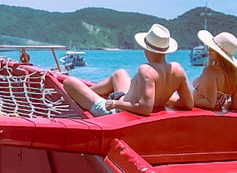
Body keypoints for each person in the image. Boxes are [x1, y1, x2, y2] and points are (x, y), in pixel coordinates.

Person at [62, 23, 194, 117]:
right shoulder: (178, 69)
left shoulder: (146, 71)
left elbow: (145, 109)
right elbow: (189, 104)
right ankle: (86, 95)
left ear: (146, 48)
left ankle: (81, 97)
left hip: (117, 111)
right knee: (120, 73)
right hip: (126, 98)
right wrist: (164, 98)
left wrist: (115, 104)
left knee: (70, 82)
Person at [190, 30, 237, 111]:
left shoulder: (210, 71)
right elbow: (236, 105)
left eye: (213, 49)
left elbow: (210, 103)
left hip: (200, 115)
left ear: (221, 54)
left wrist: (185, 100)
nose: (209, 50)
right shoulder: (233, 75)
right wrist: (222, 104)